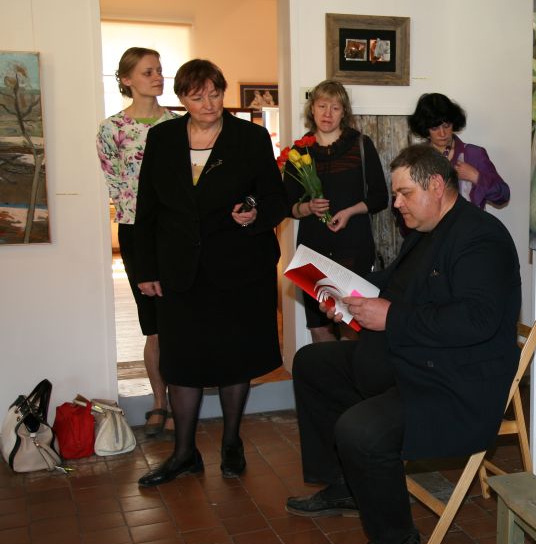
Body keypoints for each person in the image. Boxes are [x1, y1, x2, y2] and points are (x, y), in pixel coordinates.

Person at [284, 144, 521, 544]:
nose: (396, 203)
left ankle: (395, 536)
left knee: (360, 429)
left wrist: (390, 316)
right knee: (312, 363)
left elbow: (477, 320)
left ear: (437, 186)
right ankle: (344, 484)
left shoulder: (481, 238)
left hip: (454, 381)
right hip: (413, 354)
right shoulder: (426, 229)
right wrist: (346, 296)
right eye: (395, 194)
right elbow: (392, 285)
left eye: (404, 193)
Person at [133, 59, 288, 487]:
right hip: (179, 271)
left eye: (215, 94)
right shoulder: (162, 138)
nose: (208, 103)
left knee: (234, 359)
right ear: (181, 99)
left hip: (238, 269)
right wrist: (145, 268)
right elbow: (146, 208)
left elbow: (275, 198)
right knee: (181, 361)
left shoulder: (249, 138)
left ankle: (231, 442)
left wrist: (254, 213)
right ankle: (184, 453)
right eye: (197, 96)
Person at [96, 47, 179, 438]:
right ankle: (159, 401)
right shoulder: (111, 129)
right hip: (136, 232)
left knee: (181, 320)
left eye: (159, 70)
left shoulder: (179, 124)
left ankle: (182, 401)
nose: (157, 77)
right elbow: (117, 185)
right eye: (148, 72)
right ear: (127, 79)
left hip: (177, 232)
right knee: (154, 325)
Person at [284, 80, 389, 343]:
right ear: (312, 109)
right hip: (312, 250)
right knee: (319, 329)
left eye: (335, 107)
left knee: (351, 326)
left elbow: (380, 198)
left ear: (344, 112)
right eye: (322, 106)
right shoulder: (299, 151)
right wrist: (308, 207)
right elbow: (287, 206)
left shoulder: (361, 145)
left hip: (353, 247)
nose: (327, 114)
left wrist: (350, 211)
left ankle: (351, 373)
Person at [407, 93, 510, 208]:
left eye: (447, 126)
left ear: (454, 123)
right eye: (435, 128)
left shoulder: (474, 155)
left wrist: (476, 177)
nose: (442, 133)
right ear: (425, 129)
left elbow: (504, 195)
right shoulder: (416, 159)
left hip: (469, 219)